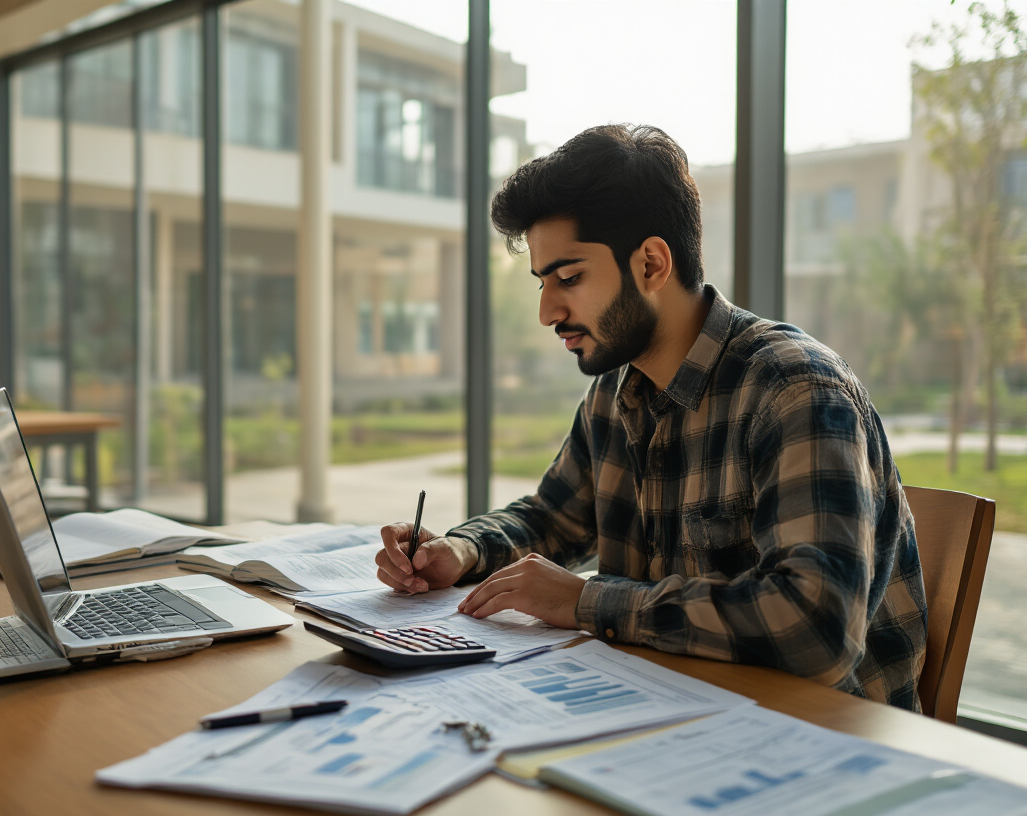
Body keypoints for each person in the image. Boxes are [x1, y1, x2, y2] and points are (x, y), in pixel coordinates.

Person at [374, 124, 928, 711]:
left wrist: (585, 602)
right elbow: (553, 519)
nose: (547, 311)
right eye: (543, 282)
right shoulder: (619, 389)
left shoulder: (795, 389)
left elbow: (816, 630)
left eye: (569, 278)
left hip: (824, 751)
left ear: (652, 264)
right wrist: (459, 553)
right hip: (667, 715)